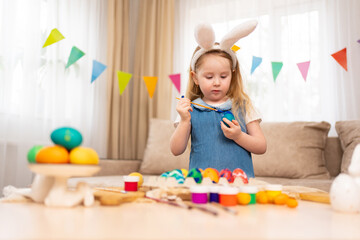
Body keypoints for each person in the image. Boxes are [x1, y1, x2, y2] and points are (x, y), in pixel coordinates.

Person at [170, 20, 266, 178]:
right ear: (195, 77)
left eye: (223, 76)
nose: (216, 82)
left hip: (239, 186)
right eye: (209, 76)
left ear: (232, 74)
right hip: (201, 185)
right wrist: (184, 120)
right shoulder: (189, 109)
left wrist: (238, 136)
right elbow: (176, 150)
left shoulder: (244, 105)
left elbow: (261, 146)